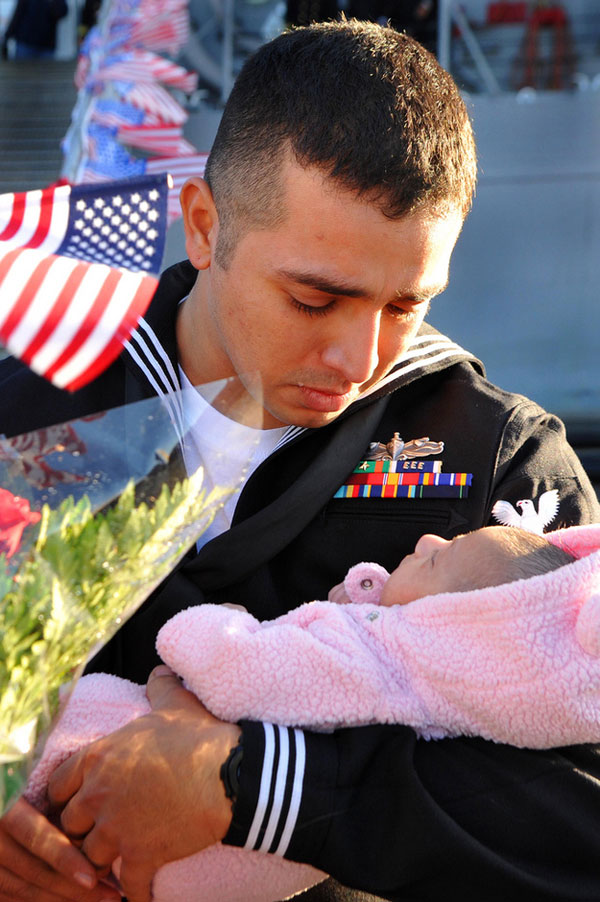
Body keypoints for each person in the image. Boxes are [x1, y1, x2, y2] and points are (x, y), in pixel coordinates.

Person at [0, 17, 599, 902]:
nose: (359, 360)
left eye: (406, 305)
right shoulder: (27, 404)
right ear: (204, 227)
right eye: (316, 298)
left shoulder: (496, 463)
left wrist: (261, 787)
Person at [25, 523, 600, 902]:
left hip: (145, 818)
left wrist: (217, 629)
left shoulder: (504, 444)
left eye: (438, 561)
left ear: (455, 626)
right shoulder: (33, 394)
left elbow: (239, 670)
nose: (427, 539)